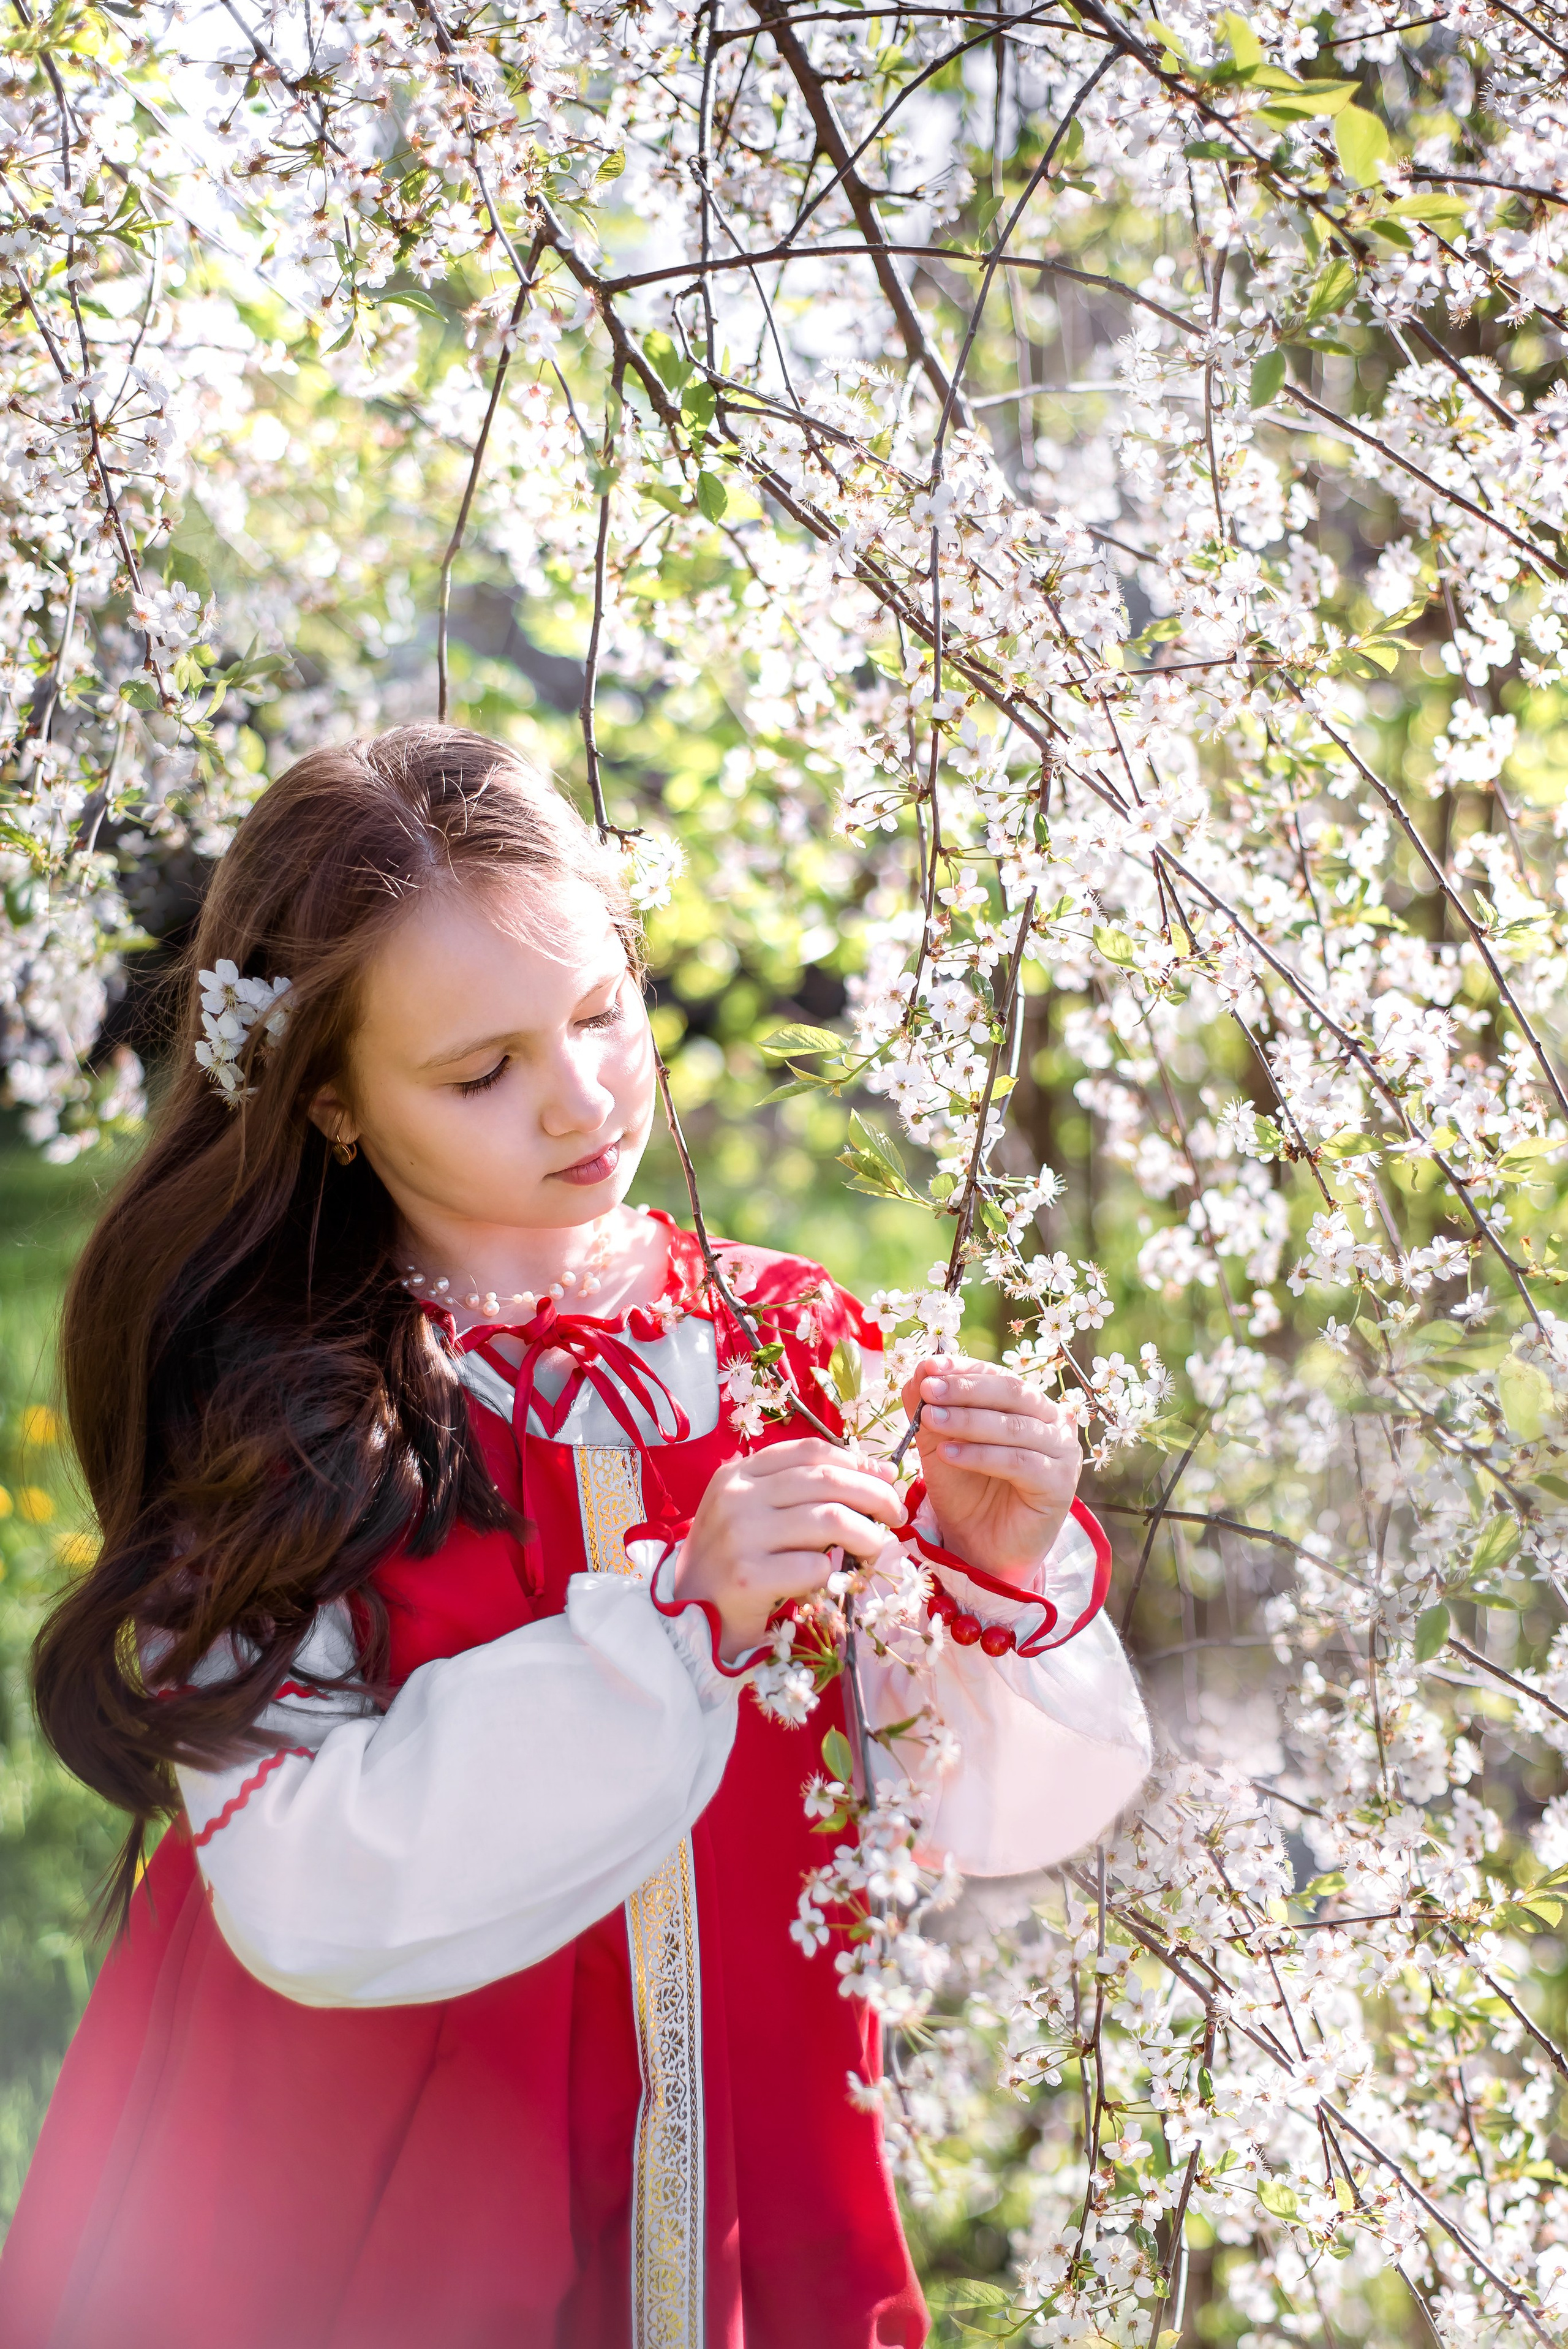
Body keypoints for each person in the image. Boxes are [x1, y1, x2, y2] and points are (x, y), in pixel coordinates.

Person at [0, 725, 1149, 2349]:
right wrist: (671, 1624)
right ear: (329, 1097)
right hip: (360, 2218)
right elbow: (300, 1878)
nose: (583, 1096)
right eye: (483, 1071)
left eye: (603, 1014)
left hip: (750, 2185)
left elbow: (982, 1815)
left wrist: (993, 1575)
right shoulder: (290, 1415)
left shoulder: (796, 1351)